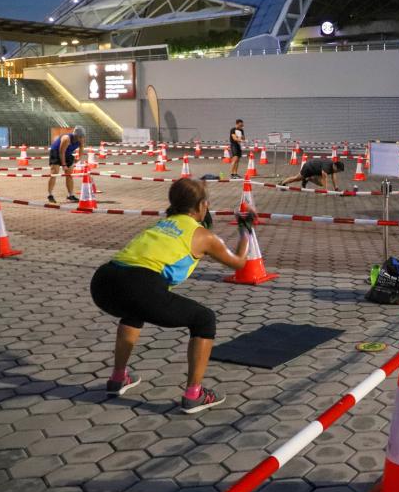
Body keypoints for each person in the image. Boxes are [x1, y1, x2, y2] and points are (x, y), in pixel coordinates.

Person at [89, 179, 251, 414]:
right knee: (204, 319)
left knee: (133, 312)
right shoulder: (203, 235)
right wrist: (246, 231)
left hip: (103, 281)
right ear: (203, 205)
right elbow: (238, 263)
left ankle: (118, 378)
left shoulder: (162, 224)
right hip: (139, 285)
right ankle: (194, 395)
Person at [47, 126, 85, 204]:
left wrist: (79, 158)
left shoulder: (81, 139)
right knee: (54, 173)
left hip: (67, 154)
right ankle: (50, 195)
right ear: (75, 135)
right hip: (56, 152)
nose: (81, 138)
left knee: (69, 174)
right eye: (80, 136)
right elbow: (61, 152)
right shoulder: (66, 139)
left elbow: (81, 148)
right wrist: (64, 165)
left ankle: (70, 195)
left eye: (82, 136)